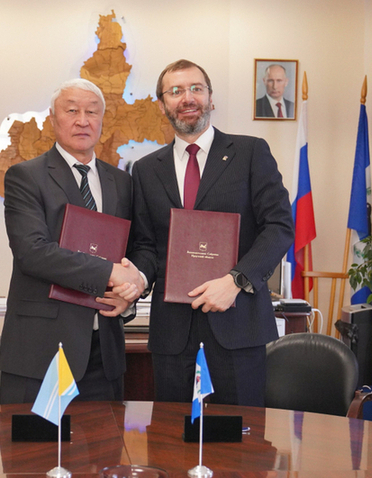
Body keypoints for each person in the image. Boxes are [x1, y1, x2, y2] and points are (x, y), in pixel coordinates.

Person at [125, 60, 294, 407]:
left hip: (238, 325)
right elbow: (145, 244)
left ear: (210, 98)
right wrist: (137, 279)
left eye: (196, 89)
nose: (187, 98)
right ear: (162, 105)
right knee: (172, 436)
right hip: (172, 333)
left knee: (239, 436)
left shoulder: (250, 153)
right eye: (176, 91)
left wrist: (236, 281)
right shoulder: (144, 170)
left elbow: (279, 226)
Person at [0, 78, 144, 404]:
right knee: (38, 440)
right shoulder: (26, 177)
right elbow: (32, 252)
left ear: (102, 121)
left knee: (106, 438)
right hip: (43, 349)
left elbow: (134, 250)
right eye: (72, 111)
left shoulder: (121, 182)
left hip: (104, 351)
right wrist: (109, 272)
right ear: (53, 118)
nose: (83, 120)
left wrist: (131, 289)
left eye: (92, 112)